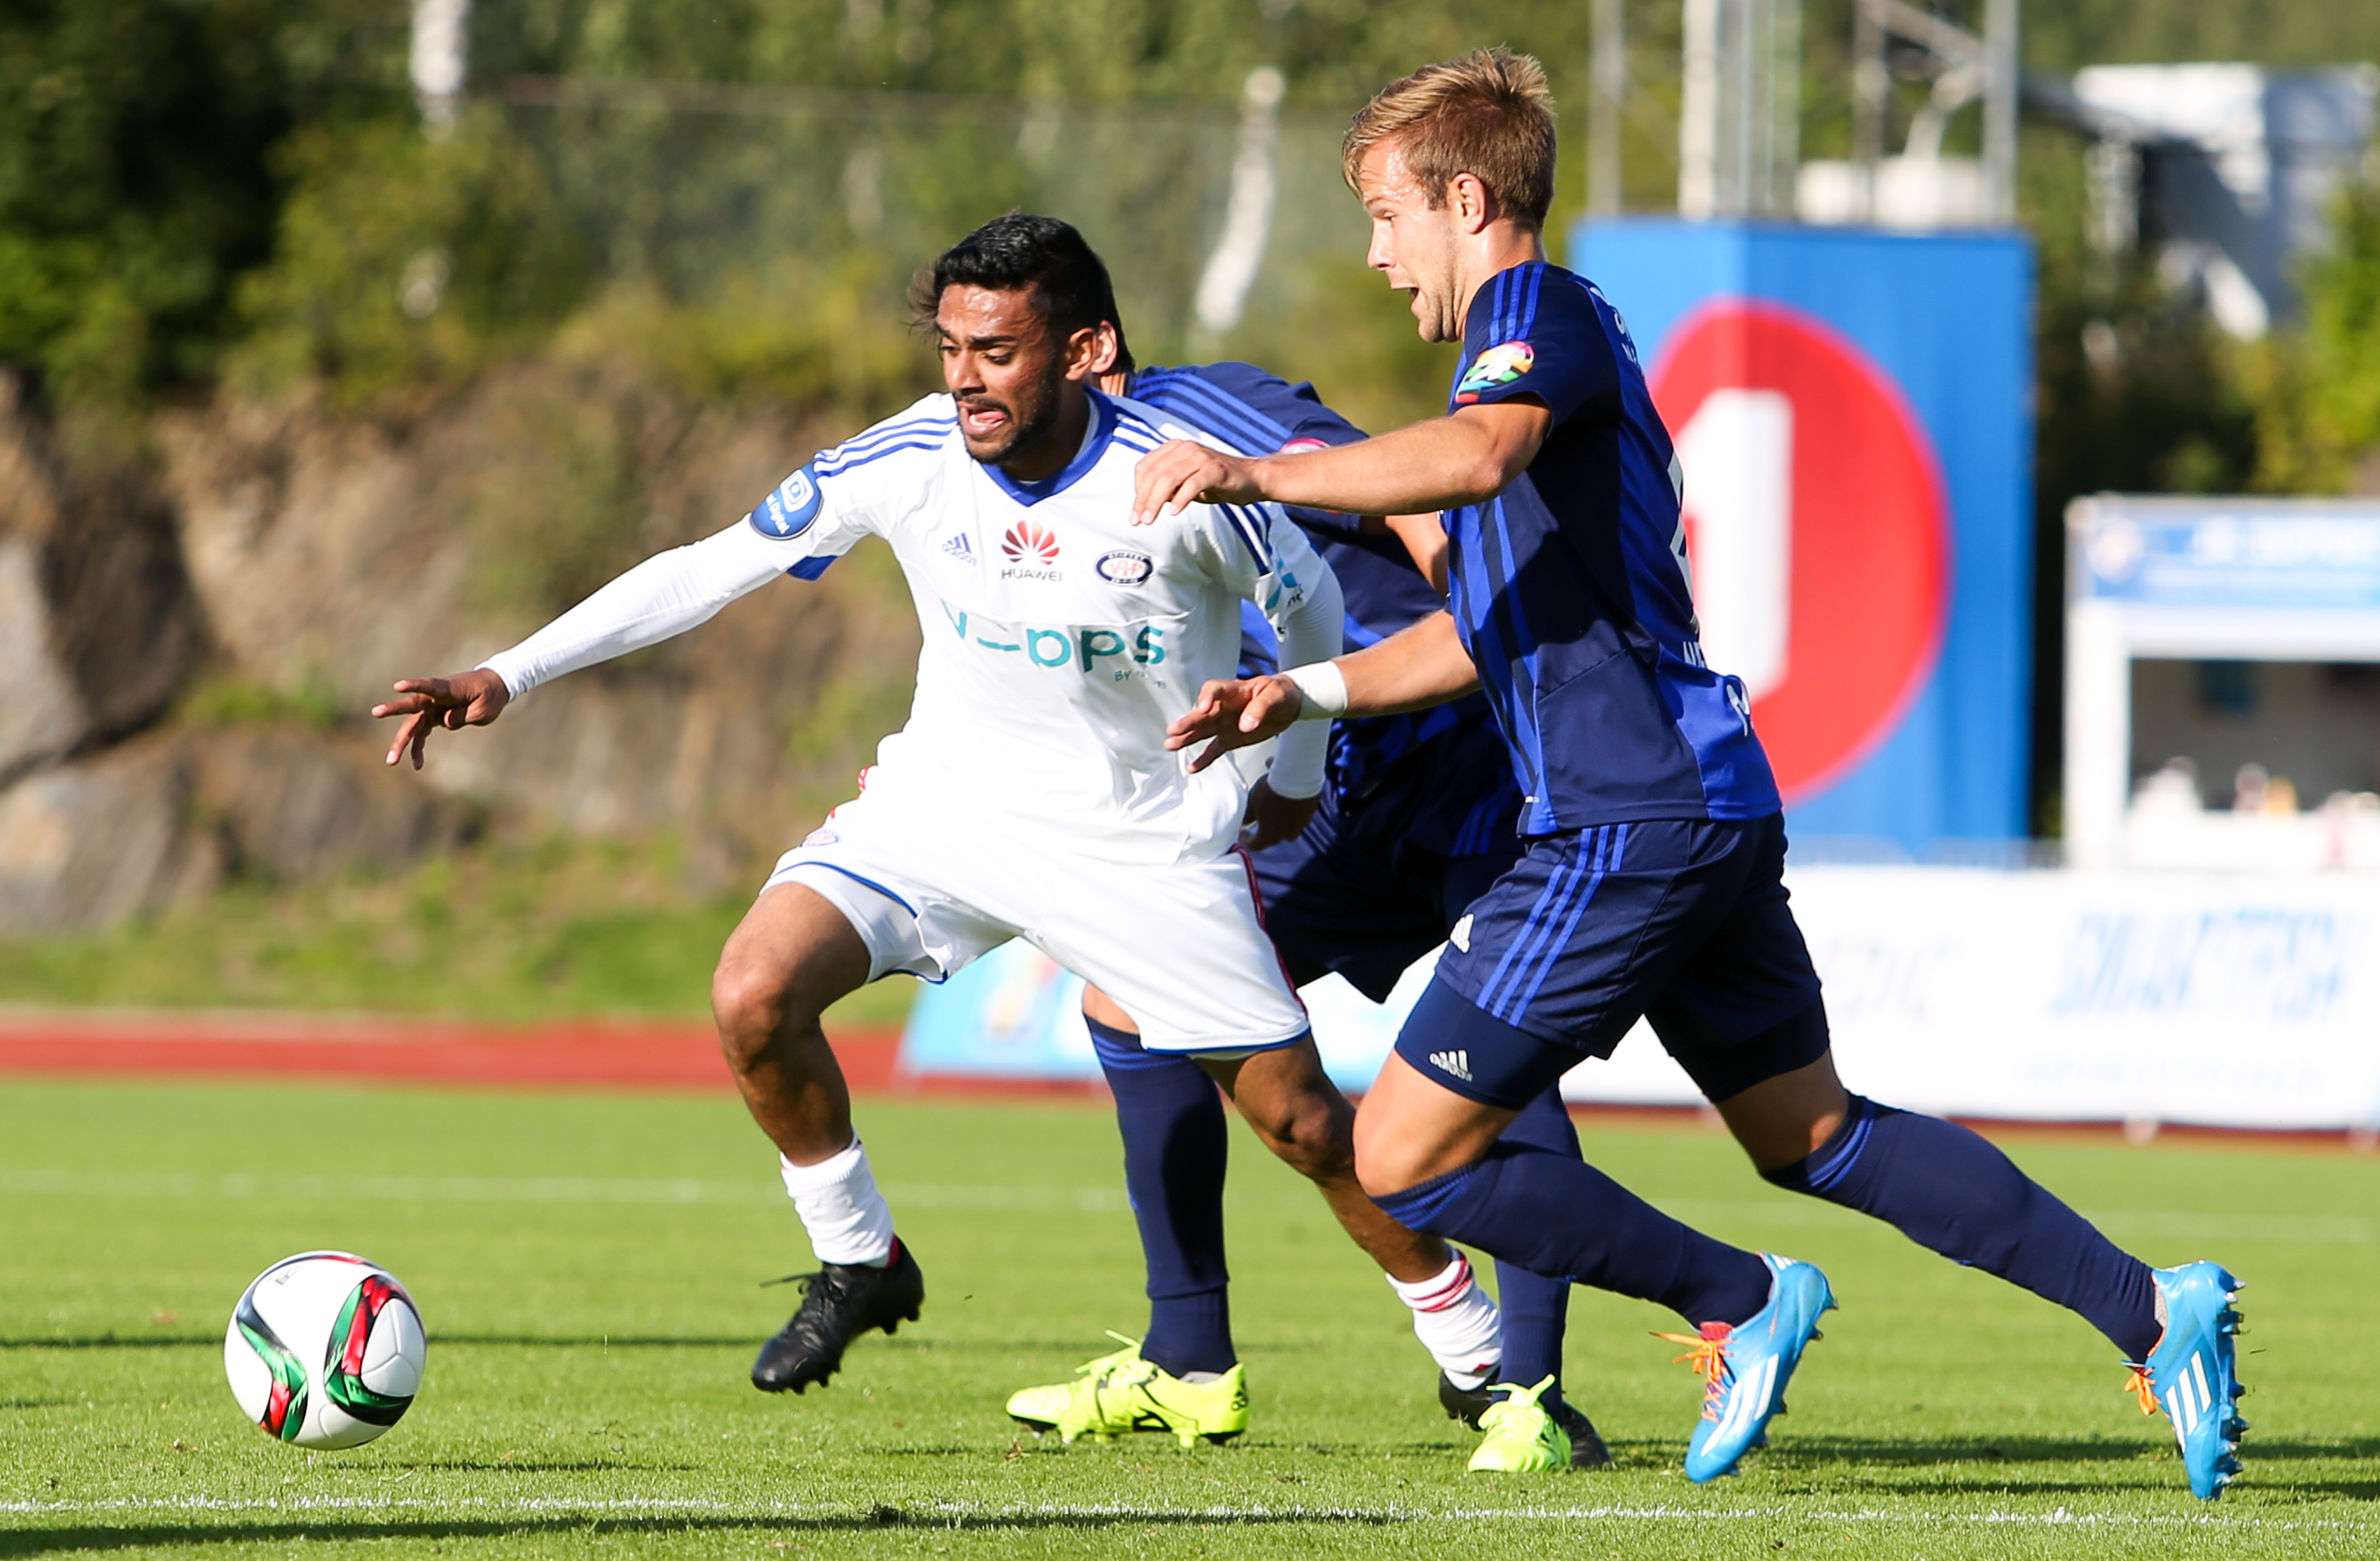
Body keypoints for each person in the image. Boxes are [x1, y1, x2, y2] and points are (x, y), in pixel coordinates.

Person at [1136, 48, 2246, 1499]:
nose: (1377, 251)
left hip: (1626, 819)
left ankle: (1737, 1299)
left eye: (1386, 214)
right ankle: (2157, 1310)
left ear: (1466, 199)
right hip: (1700, 804)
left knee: (1401, 1158)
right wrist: (1301, 689)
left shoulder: (1530, 316)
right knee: (1815, 1132)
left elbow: (1472, 460)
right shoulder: (1520, 378)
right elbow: (1479, 643)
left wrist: (1256, 467)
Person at [372, 214, 1498, 1439]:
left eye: (998, 349)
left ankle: (1479, 1359)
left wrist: (1291, 768)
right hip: (943, 810)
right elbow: (713, 565)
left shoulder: (1183, 483)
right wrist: (509, 675)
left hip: (1136, 842)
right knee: (753, 990)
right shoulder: (908, 453)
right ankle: (860, 1259)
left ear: (1084, 350)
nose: (965, 377)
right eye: (951, 347)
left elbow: (1318, 613)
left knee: (1301, 1125)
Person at [1001, 341, 1611, 1474]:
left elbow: (1404, 501)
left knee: (1498, 1066)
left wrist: (1469, 611)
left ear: (1088, 351)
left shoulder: (1204, 403)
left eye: (1010, 357)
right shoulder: (1048, 489)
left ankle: (1524, 1393)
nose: (990, 394)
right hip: (1329, 792)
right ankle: (1190, 1364)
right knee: (1135, 997)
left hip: (1464, 761)